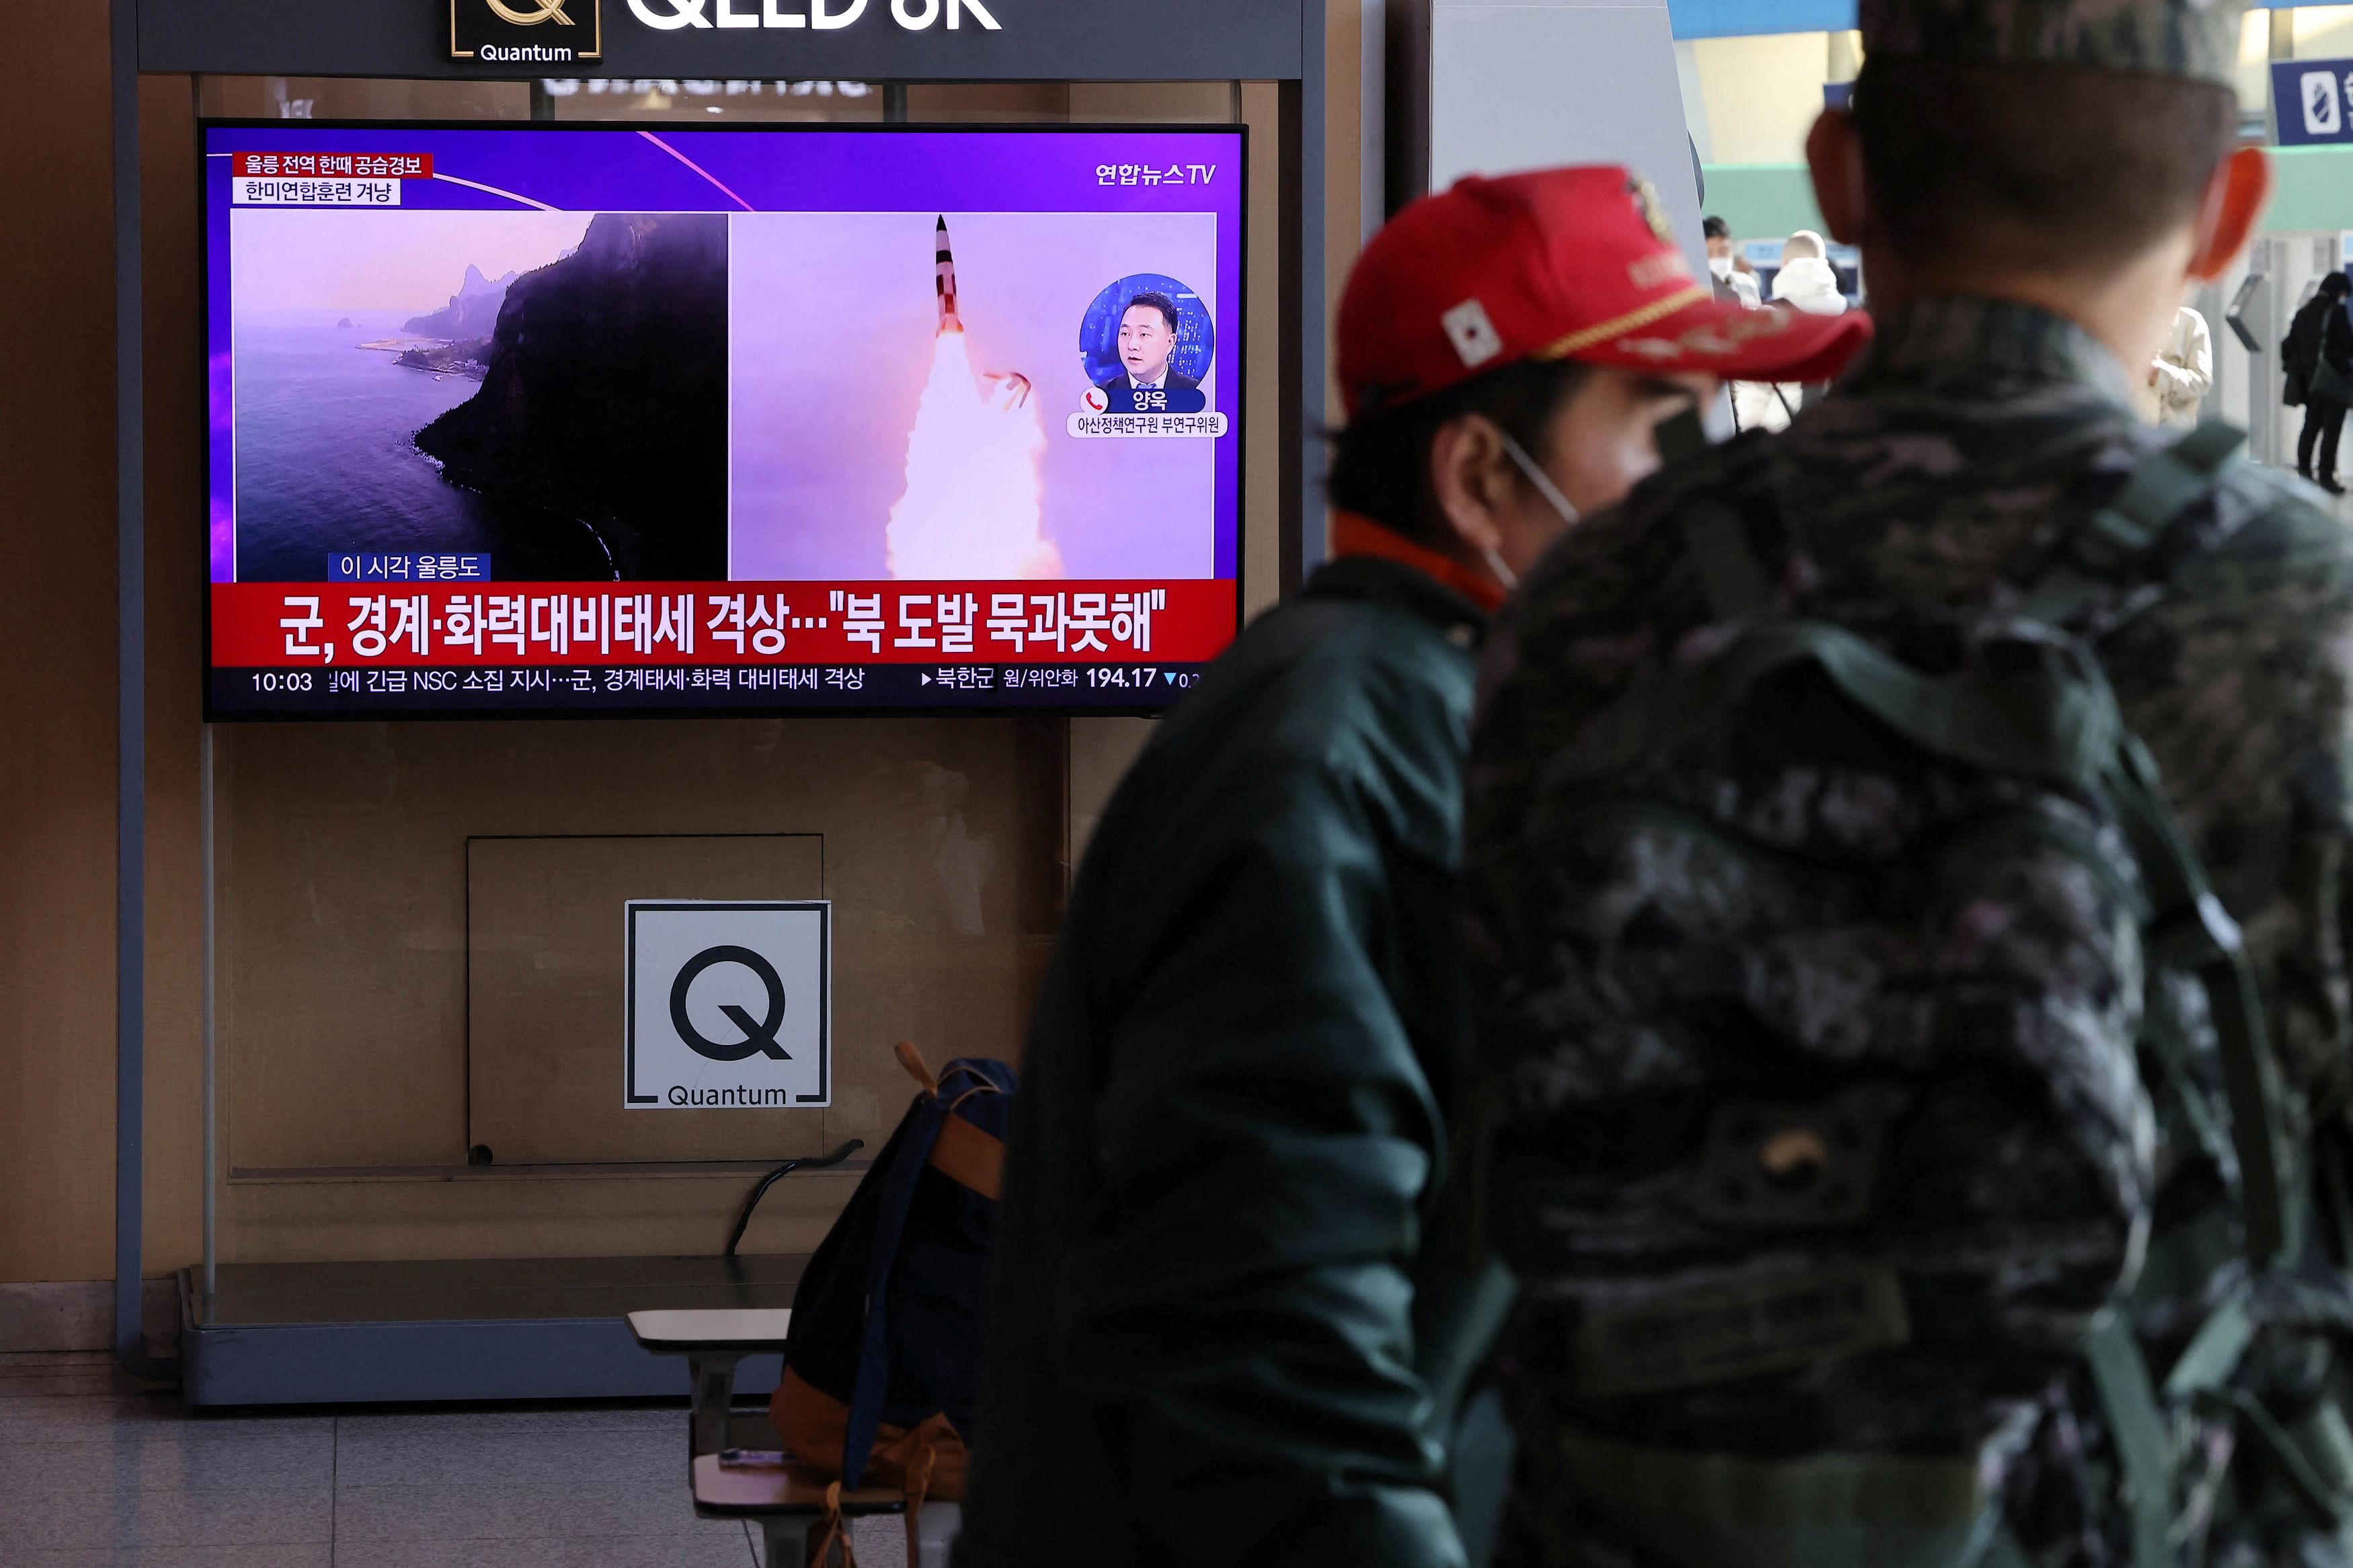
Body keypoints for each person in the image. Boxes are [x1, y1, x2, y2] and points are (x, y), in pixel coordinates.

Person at [1467, 0, 2353, 1563]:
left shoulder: (1600, 602)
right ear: (2229, 211)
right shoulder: (2310, 613)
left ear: (1838, 173)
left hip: (1661, 1518)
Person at [953, 167, 1866, 1568]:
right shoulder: (1326, 769)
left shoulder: (1450, 719)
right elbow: (1270, 1384)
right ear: (1483, 477)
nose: (1705, 496)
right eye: (1658, 432)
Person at [2287, 271, 2352, 490]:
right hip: (2332, 380)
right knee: (2332, 430)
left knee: (2311, 426)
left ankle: (2304, 472)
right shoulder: (2337, 311)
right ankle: (2326, 477)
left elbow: (2288, 347)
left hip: (2309, 381)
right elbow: (2346, 344)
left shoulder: (2303, 312)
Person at [1096, 292, 1199, 393]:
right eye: (1125, 334)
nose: (1132, 345)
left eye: (1144, 334)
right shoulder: (1102, 395)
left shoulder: (1194, 392)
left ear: (1170, 342)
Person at [2139, 300, 2212, 426]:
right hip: (2126, 430)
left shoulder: (2190, 322)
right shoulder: (2115, 319)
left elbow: (2202, 382)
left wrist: (2159, 373)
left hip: (2172, 431)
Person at [1704, 215, 1761, 308]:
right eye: (1709, 253)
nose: (1716, 258)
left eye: (1723, 251)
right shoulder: (1693, 290)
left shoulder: (1747, 283)